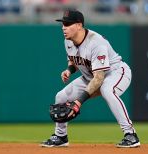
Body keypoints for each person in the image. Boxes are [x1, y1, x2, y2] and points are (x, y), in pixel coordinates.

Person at [40, 9, 140, 148]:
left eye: (68, 24)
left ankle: (131, 134)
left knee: (107, 90)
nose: (64, 27)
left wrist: (78, 102)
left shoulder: (96, 43)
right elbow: (74, 60)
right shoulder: (68, 41)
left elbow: (99, 78)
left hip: (115, 73)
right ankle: (61, 136)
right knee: (61, 96)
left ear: (79, 25)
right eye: (63, 24)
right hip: (90, 76)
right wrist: (69, 70)